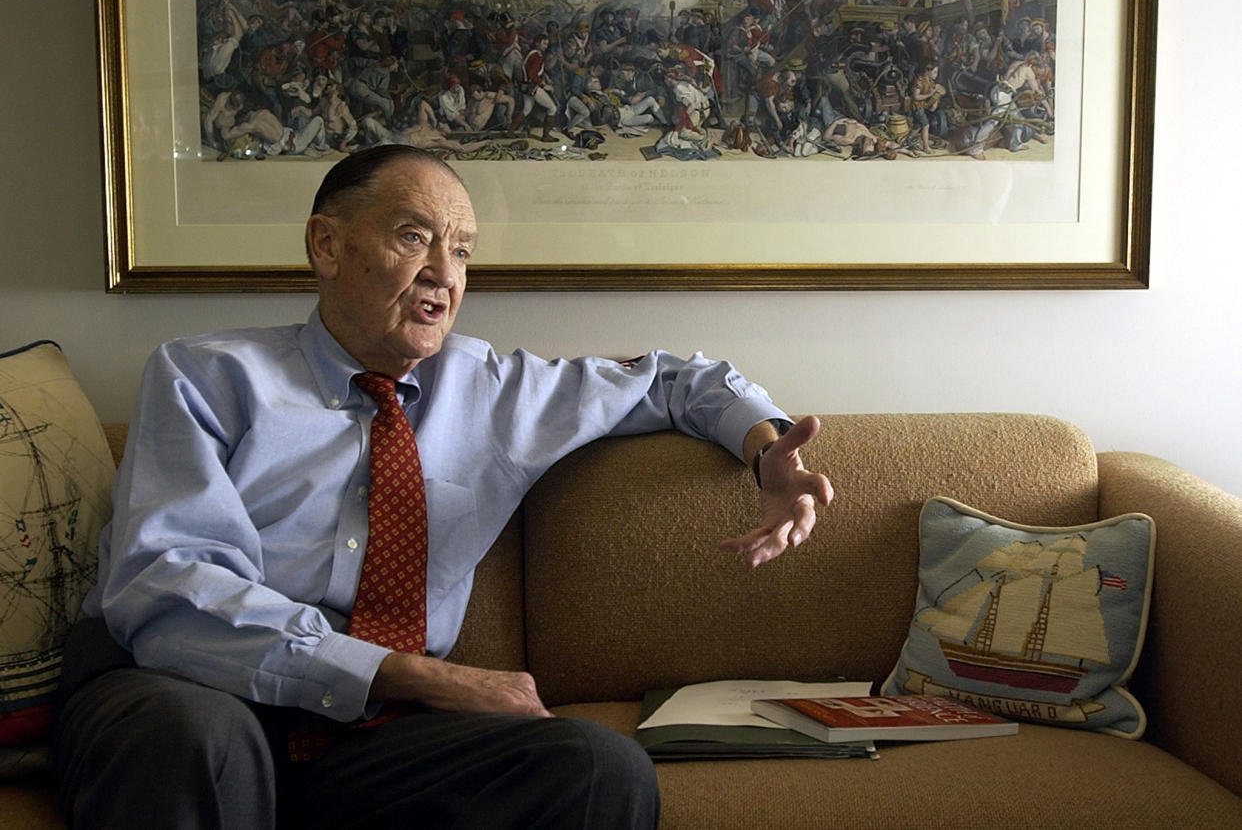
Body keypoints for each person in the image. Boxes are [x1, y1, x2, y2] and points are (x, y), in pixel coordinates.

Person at [55, 144, 833, 829]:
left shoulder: (493, 388)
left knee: (597, 766)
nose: (444, 274)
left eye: (461, 250)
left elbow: (675, 380)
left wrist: (766, 454)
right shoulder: (206, 376)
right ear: (326, 245)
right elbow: (168, 587)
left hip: (371, 736)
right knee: (193, 737)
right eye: (414, 236)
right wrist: (411, 673)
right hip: (192, 686)